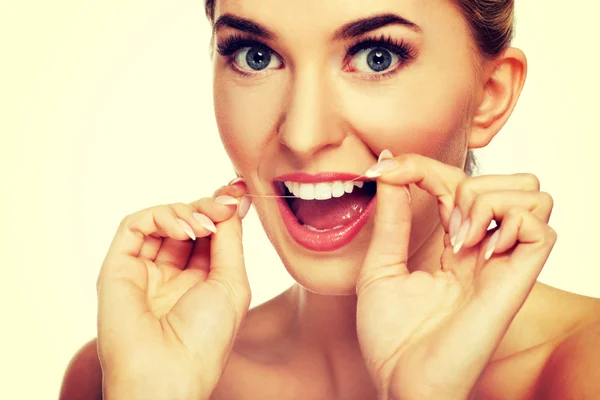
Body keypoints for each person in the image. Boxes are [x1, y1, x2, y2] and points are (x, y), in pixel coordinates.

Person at [60, 0, 600, 399]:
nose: (302, 132)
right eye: (256, 55)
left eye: (376, 56)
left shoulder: (580, 368)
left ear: (489, 97)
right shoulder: (126, 371)